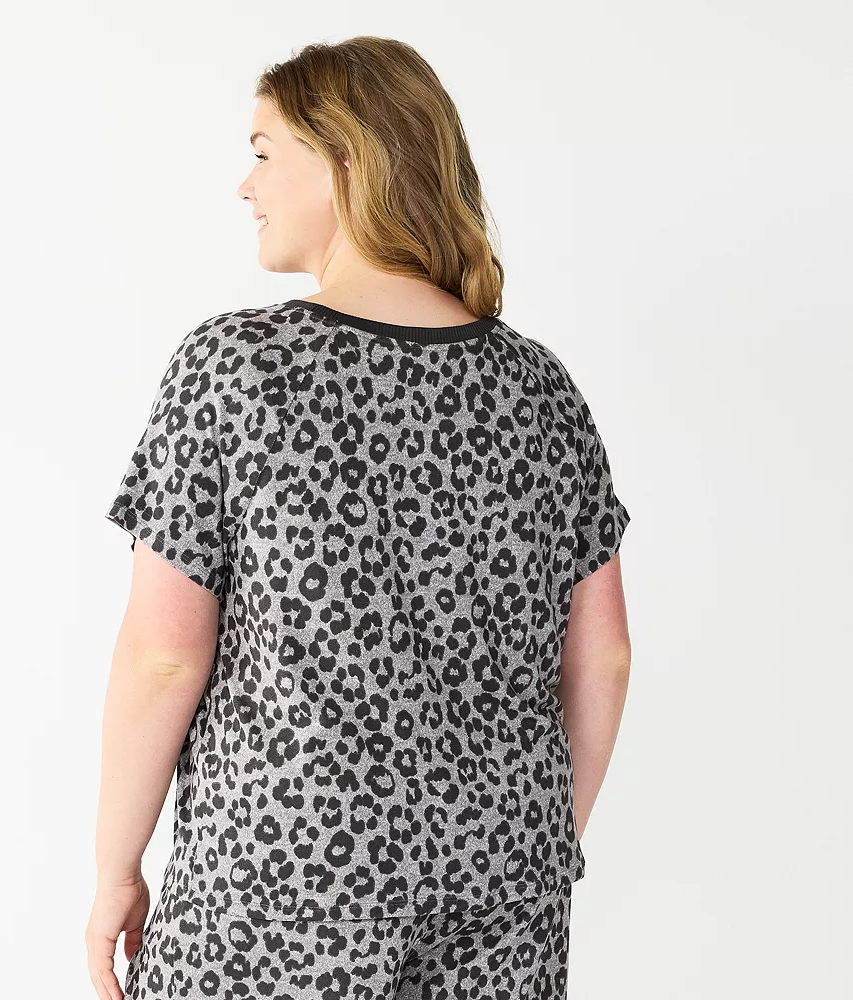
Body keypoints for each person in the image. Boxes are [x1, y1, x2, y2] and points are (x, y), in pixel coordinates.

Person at [85, 35, 632, 1000]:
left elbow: (163, 656)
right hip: (503, 890)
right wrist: (529, 849)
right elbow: (605, 657)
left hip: (276, 887)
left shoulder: (238, 368)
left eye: (263, 153)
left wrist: (114, 870)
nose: (245, 186)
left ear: (345, 159)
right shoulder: (541, 389)